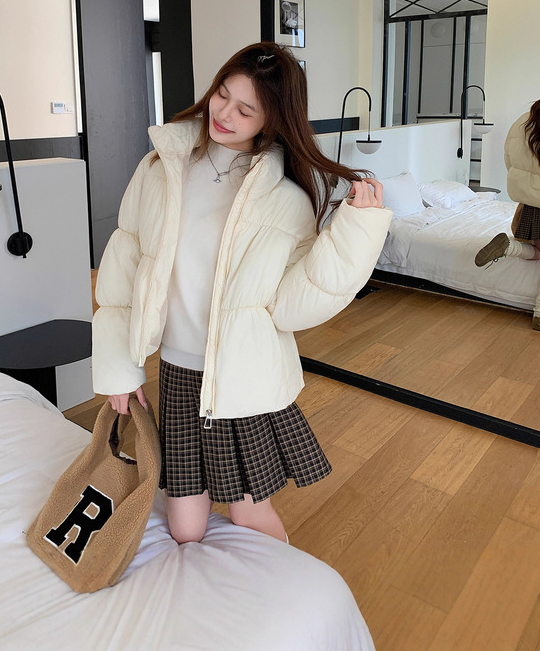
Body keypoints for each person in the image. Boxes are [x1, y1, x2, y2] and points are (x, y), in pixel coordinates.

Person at [92, 42, 392, 545]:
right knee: (185, 528)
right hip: (178, 374)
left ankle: (279, 589)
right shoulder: (159, 169)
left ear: (273, 119)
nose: (225, 114)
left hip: (241, 377)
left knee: (250, 515)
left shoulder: (285, 199)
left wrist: (357, 233)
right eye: (222, 94)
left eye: (246, 109)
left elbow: (292, 304)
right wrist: (120, 371)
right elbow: (123, 273)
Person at [474, 99, 540, 329]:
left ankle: (509, 247)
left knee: (538, 252)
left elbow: (509, 161)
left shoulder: (523, 121)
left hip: (530, 206)